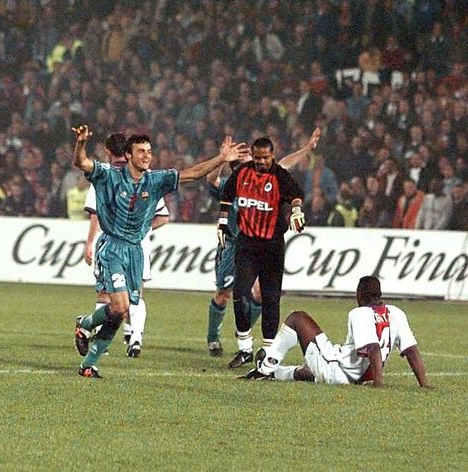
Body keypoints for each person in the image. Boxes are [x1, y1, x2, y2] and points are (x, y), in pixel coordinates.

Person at [73, 124, 249, 377]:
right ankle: (89, 351)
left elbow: (192, 174)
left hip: (135, 251)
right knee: (120, 308)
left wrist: (221, 158)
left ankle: (87, 340)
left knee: (119, 312)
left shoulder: (155, 180)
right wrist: (81, 143)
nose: (146, 155)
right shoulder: (108, 175)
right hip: (111, 247)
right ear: (129, 155)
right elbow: (82, 163)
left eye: (149, 151)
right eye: (141, 151)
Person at [208, 129, 320, 362]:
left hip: (270, 245)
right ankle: (228, 343)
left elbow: (292, 184)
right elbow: (218, 188)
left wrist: (306, 150)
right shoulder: (237, 176)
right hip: (238, 243)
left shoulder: (277, 175)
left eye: (261, 158)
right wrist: (221, 222)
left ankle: (266, 350)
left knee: (266, 296)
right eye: (253, 158)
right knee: (229, 293)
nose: (257, 162)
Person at [242, 276, 430, 389]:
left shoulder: (359, 313)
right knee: (309, 370)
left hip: (339, 372)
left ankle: (265, 368)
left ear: (359, 294)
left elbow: (373, 348)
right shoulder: (396, 313)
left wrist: (378, 385)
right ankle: (276, 373)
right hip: (354, 376)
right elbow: (411, 350)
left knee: (297, 318)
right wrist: (424, 385)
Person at [82, 132, 170, 358]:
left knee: (106, 295)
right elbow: (163, 216)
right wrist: (142, 228)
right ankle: (134, 338)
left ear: (109, 152)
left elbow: (95, 216)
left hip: (113, 243)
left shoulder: (105, 176)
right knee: (135, 294)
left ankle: (97, 333)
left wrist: (89, 243)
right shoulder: (150, 179)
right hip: (138, 244)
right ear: (128, 153)